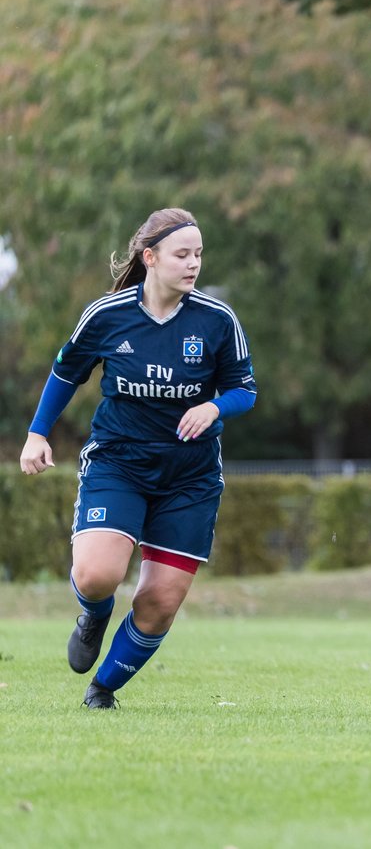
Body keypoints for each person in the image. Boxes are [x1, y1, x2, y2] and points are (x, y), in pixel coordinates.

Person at [19, 207, 257, 710]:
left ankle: (102, 689)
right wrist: (38, 433)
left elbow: (245, 390)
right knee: (97, 575)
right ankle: (94, 614)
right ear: (150, 258)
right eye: (182, 254)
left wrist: (214, 404)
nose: (193, 264)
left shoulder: (217, 320)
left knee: (159, 604)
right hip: (119, 463)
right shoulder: (108, 315)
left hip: (189, 477)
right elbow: (67, 372)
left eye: (198, 254)